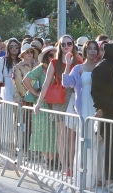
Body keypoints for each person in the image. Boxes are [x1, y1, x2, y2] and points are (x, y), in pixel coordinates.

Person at [35, 34, 81, 176]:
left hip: (74, 98)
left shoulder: (79, 61)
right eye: (63, 44)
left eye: (69, 43)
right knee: (62, 133)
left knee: (72, 135)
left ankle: (72, 166)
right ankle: (64, 166)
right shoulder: (54, 63)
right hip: (60, 99)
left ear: (73, 45)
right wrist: (38, 102)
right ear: (59, 46)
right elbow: (46, 83)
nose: (66, 46)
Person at [62, 40, 102, 190]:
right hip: (84, 108)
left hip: (97, 108)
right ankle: (82, 180)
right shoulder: (78, 68)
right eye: (89, 49)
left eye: (94, 49)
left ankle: (97, 177)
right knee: (84, 143)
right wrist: (67, 64)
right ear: (85, 51)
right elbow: (66, 83)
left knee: (97, 143)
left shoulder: (100, 67)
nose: (92, 51)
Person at [91, 41, 113, 191]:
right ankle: (110, 181)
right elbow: (96, 92)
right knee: (111, 147)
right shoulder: (102, 67)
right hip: (109, 112)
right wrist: (101, 107)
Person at [23, 46, 57, 170]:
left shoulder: (59, 67)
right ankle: (46, 159)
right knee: (43, 132)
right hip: (42, 103)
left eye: (55, 54)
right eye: (51, 55)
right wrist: (36, 93)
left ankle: (53, 160)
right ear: (46, 57)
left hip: (56, 103)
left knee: (54, 132)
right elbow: (26, 80)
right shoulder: (41, 68)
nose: (53, 57)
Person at [0, 38, 21, 150]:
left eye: (16, 46)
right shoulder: (2, 60)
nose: (14, 49)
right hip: (7, 90)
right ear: (8, 48)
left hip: (20, 91)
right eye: (11, 46)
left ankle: (19, 144)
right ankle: (10, 145)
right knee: (9, 119)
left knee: (19, 120)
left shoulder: (21, 61)